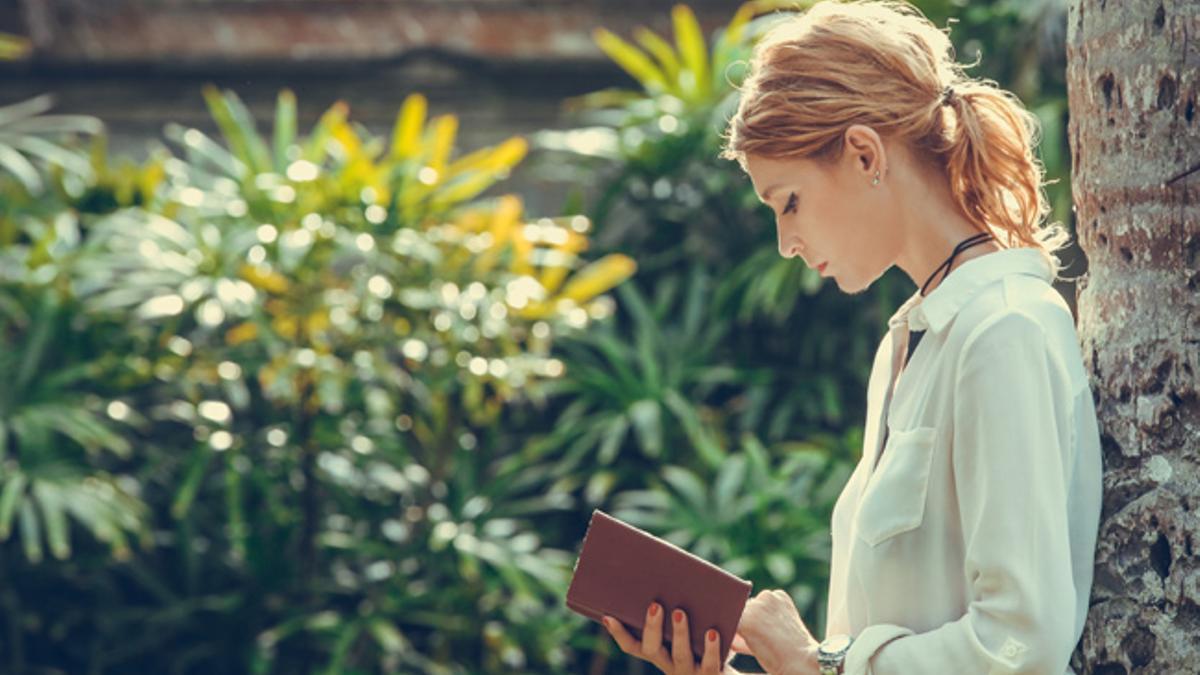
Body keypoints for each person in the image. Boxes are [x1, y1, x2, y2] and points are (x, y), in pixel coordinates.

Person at [600, 1, 1104, 674]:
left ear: (864, 152)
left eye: (790, 202)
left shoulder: (1005, 328)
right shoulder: (906, 346)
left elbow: (1021, 641)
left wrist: (822, 663)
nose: (785, 243)